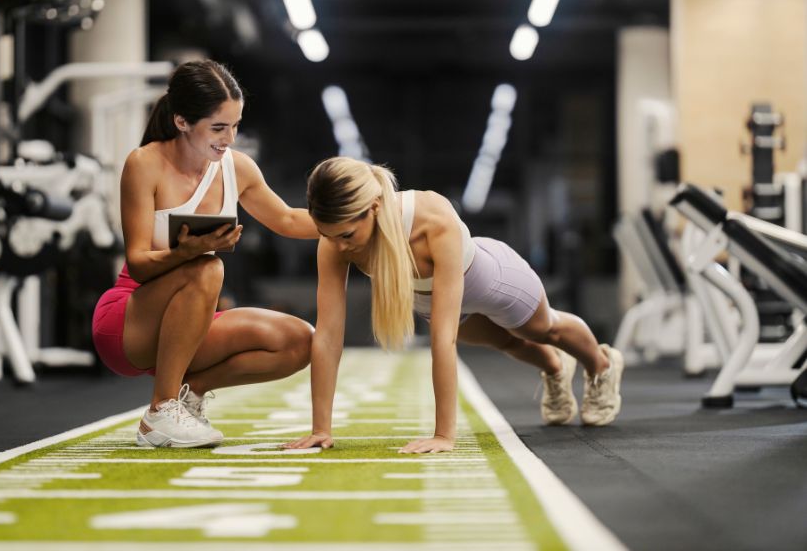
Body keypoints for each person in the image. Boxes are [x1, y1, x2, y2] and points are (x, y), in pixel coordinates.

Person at [283, 157, 623, 455]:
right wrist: (321, 428)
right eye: (327, 235)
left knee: (542, 328)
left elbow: (442, 340)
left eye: (345, 235)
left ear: (372, 208)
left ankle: (601, 365)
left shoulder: (432, 219)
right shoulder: (333, 242)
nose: (338, 247)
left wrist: (444, 434)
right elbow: (327, 335)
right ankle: (554, 368)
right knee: (505, 341)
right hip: (436, 299)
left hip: (495, 279)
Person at [92, 60, 317, 448]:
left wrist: (367, 219)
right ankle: (160, 412)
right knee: (207, 267)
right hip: (128, 324)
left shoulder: (238, 168)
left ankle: (188, 393)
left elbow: (289, 219)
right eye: (218, 127)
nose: (229, 138)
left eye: (235, 125)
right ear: (182, 122)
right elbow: (140, 264)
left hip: (189, 322)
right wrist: (190, 252)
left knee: (300, 341)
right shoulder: (144, 163)